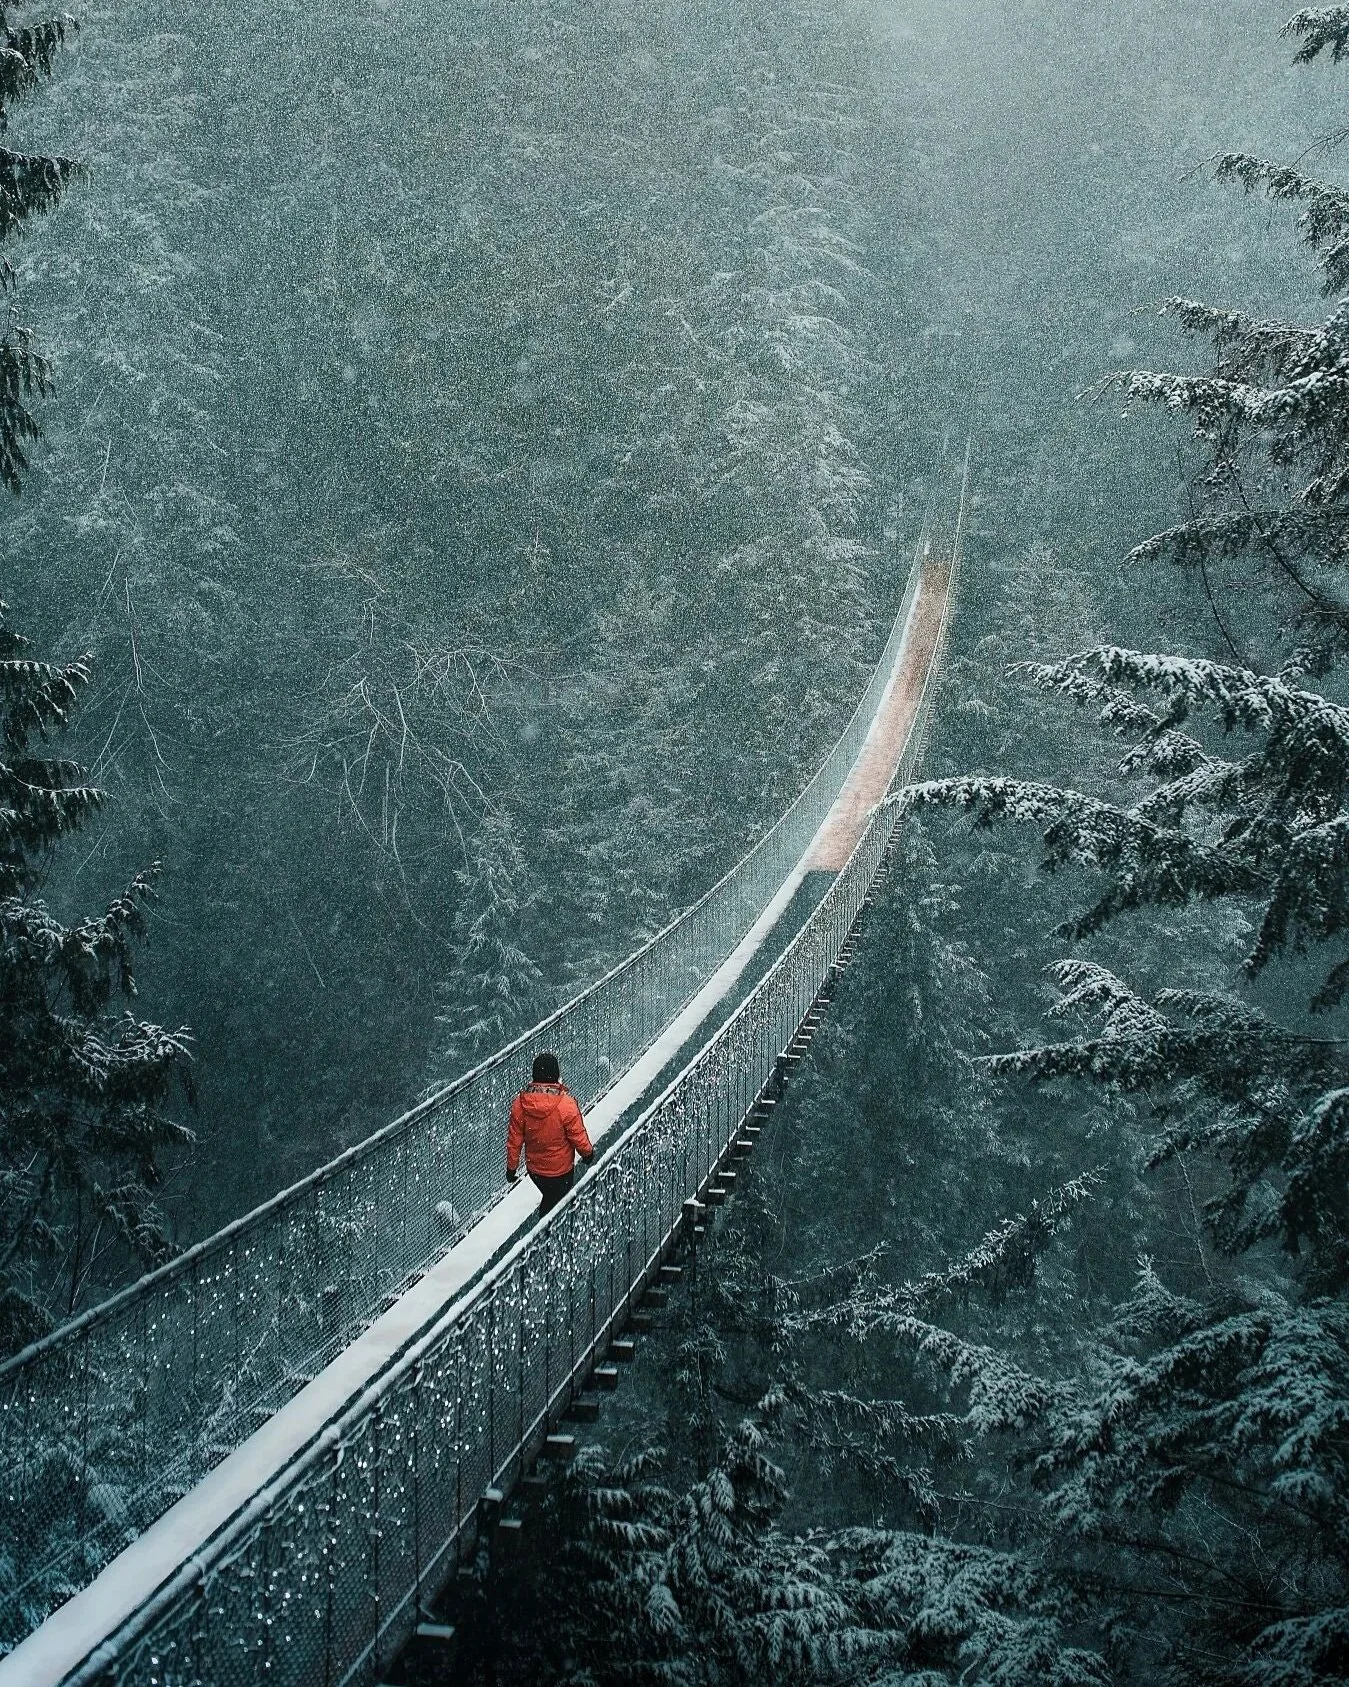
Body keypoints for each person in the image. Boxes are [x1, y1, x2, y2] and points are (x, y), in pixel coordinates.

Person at [506, 1051, 594, 1215]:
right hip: (561, 1171)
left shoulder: (520, 1104)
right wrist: (588, 1153)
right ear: (556, 1075)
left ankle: (548, 1228)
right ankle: (547, 1234)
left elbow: (514, 1141)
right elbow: (577, 1135)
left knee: (551, 1198)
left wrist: (512, 1169)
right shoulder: (566, 1105)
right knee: (556, 1206)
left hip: (535, 1171)